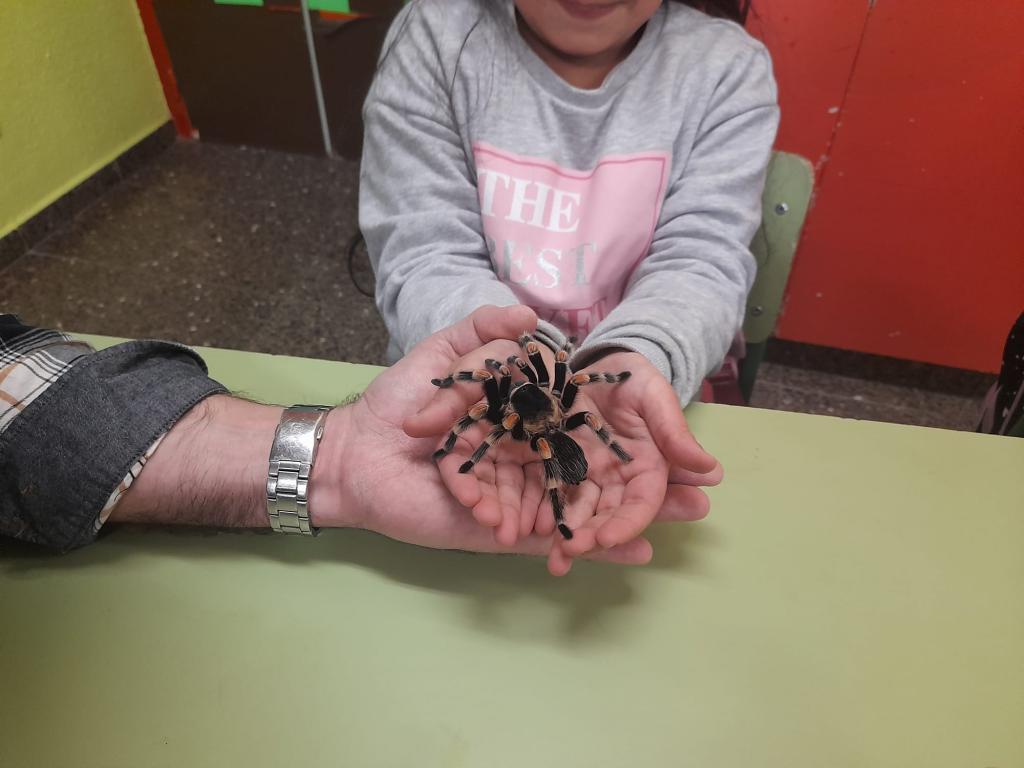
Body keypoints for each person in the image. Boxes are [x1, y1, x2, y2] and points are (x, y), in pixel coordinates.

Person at [360, 0, 775, 559]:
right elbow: (426, 250)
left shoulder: (727, 67)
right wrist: (491, 354)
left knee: (539, 450)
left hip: (637, 409)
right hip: (454, 402)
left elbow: (701, 261)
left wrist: (634, 357)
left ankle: (563, 497)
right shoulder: (436, 34)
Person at [0, 307, 720, 575]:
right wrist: (350, 451)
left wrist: (617, 359)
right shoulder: (549, 406)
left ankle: (564, 510)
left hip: (545, 426)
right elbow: (490, 410)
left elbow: (485, 427)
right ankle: (566, 512)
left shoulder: (520, 412)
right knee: (556, 443)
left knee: (544, 451)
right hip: (551, 421)